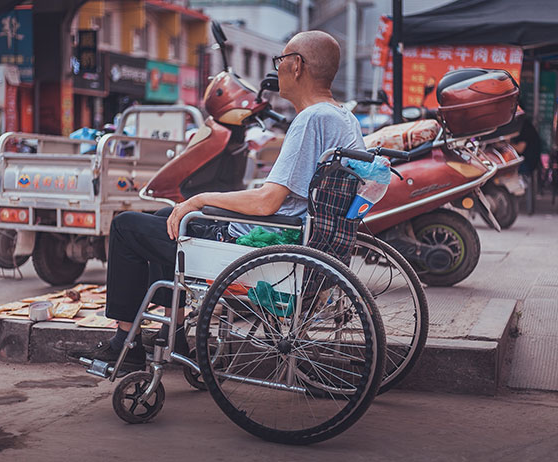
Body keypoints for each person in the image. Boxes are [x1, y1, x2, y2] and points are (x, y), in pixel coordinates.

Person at [76, 30, 365, 371]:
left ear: (297, 66)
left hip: (257, 242)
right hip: (301, 237)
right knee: (165, 216)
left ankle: (124, 342)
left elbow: (267, 202)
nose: (279, 68)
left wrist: (199, 199)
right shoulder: (343, 117)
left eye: (281, 60)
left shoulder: (311, 119)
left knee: (126, 227)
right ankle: (178, 332)